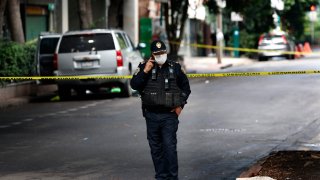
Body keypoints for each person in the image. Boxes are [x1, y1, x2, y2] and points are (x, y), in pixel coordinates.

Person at [130, 40, 191, 180]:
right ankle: (161, 177)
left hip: (169, 116)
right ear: (152, 54)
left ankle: (172, 177)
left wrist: (180, 106)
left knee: (169, 147)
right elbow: (134, 85)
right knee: (156, 149)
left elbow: (186, 88)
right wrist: (146, 70)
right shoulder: (144, 67)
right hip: (151, 115)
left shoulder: (175, 67)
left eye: (163, 52)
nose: (161, 55)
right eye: (157, 53)